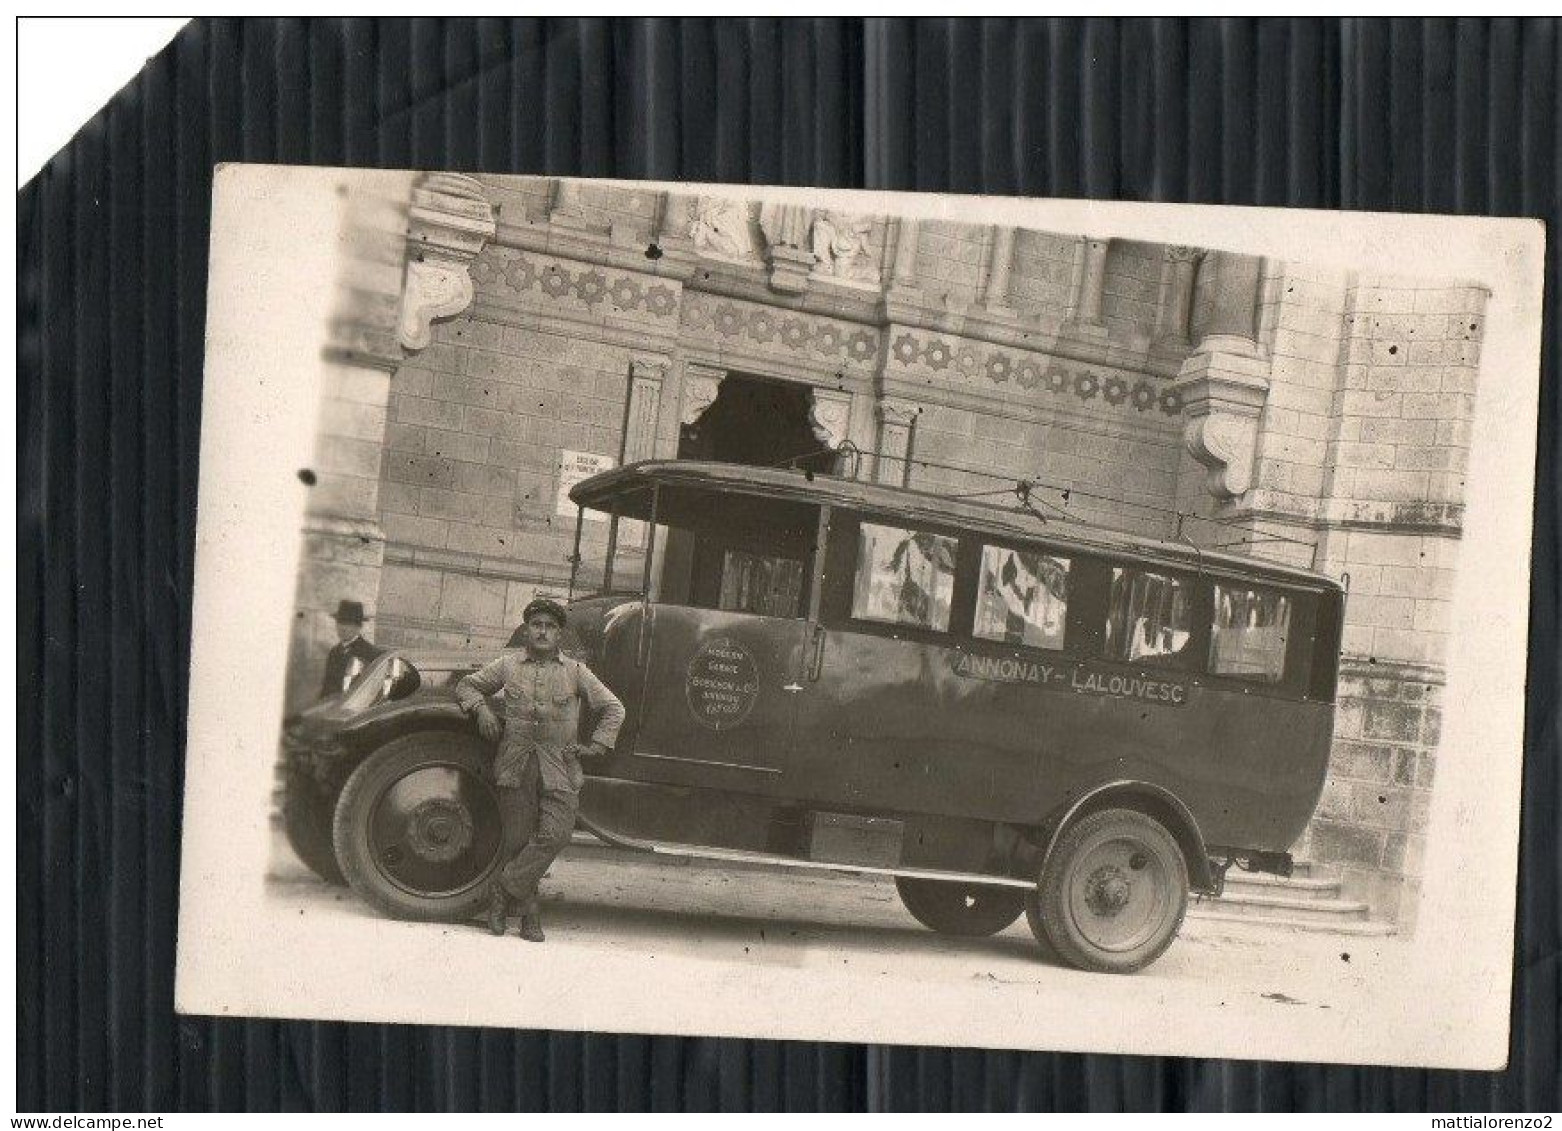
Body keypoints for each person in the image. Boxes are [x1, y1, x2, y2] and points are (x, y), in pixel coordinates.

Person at [455, 598, 625, 942]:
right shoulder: (508, 665)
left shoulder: (576, 671)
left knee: (557, 834)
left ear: (558, 633)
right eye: (536, 625)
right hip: (514, 766)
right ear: (527, 630)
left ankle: (501, 891)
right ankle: (529, 916)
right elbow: (466, 685)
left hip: (560, 767)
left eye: (549, 626)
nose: (542, 632)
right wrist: (482, 710)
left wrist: (597, 746)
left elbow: (614, 708)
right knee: (518, 842)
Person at [319, 599, 384, 700]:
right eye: (340, 622)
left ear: (358, 627)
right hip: (330, 710)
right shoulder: (334, 652)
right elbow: (326, 689)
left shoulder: (372, 653)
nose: (343, 628)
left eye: (348, 623)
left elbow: (373, 693)